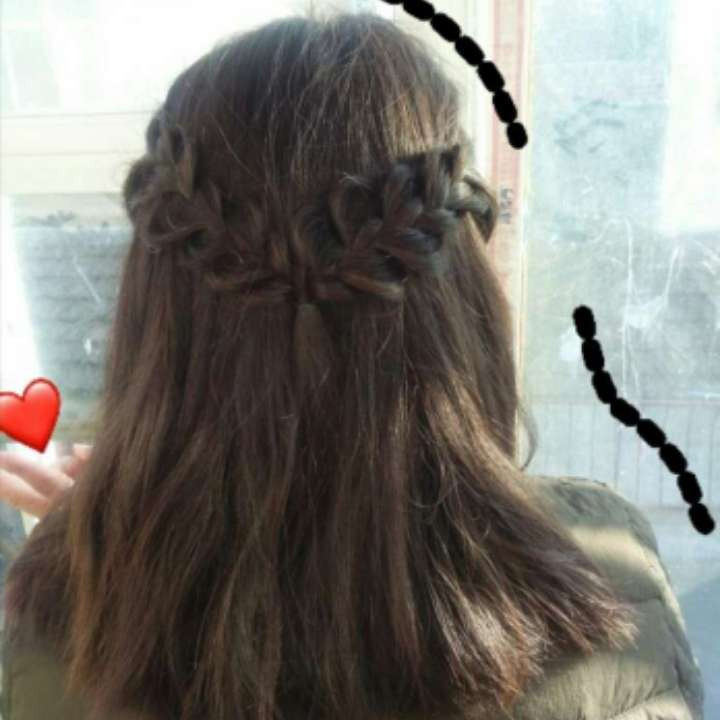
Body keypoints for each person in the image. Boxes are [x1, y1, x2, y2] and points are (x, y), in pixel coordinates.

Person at [0, 10, 704, 720]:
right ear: (461, 300)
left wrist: (118, 560)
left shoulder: (59, 634)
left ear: (153, 314)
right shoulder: (609, 587)